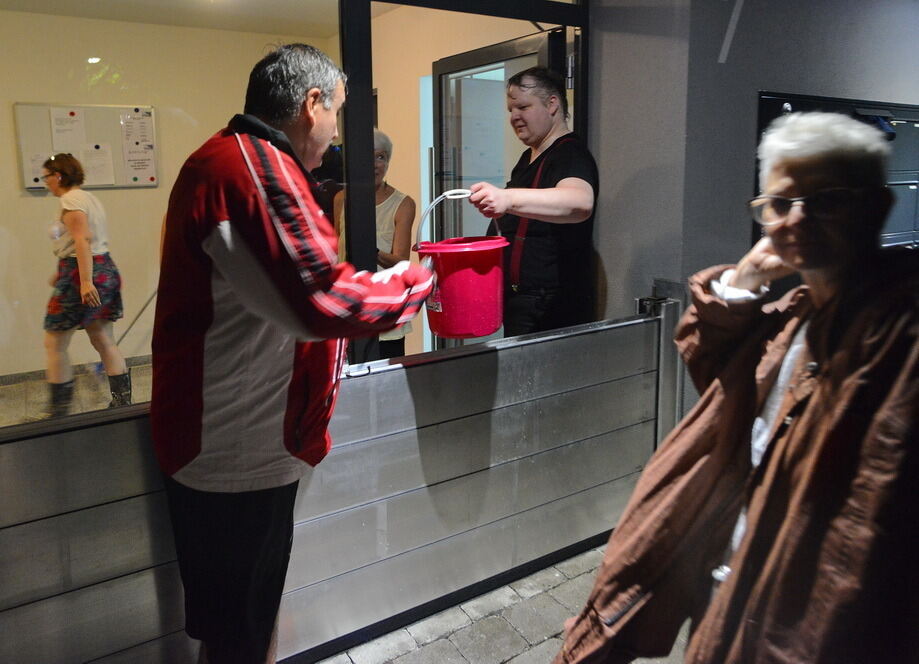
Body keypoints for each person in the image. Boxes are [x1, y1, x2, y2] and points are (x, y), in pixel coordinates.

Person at [556, 112, 919, 663]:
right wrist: (742, 281)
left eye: (827, 199)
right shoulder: (801, 313)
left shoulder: (897, 334)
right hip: (734, 589)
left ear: (876, 206)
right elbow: (721, 382)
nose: (798, 219)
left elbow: (862, 542)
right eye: (779, 203)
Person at [151, 44, 433, 664]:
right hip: (236, 449)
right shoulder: (251, 168)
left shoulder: (230, 160)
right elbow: (320, 303)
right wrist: (414, 285)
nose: (337, 134)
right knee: (239, 635)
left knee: (241, 625)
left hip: (233, 442)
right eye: (337, 113)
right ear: (312, 105)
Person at [469, 66, 598, 336]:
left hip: (551, 308)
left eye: (523, 107)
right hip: (524, 303)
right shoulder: (528, 158)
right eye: (510, 110)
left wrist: (507, 197)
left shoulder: (570, 154)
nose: (514, 117)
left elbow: (580, 202)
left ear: (552, 104)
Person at [40, 153, 131, 416]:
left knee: (54, 341)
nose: (45, 182)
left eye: (46, 176)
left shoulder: (71, 200)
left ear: (58, 176)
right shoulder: (88, 197)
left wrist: (84, 281)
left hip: (84, 271)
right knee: (103, 338)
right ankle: (122, 406)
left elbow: (83, 241)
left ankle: (58, 411)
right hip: (100, 267)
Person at [333, 128, 417, 358]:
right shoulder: (341, 199)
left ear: (388, 162)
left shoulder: (403, 204)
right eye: (367, 157)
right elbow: (335, 253)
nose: (374, 164)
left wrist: (369, 250)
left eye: (381, 157)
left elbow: (401, 263)